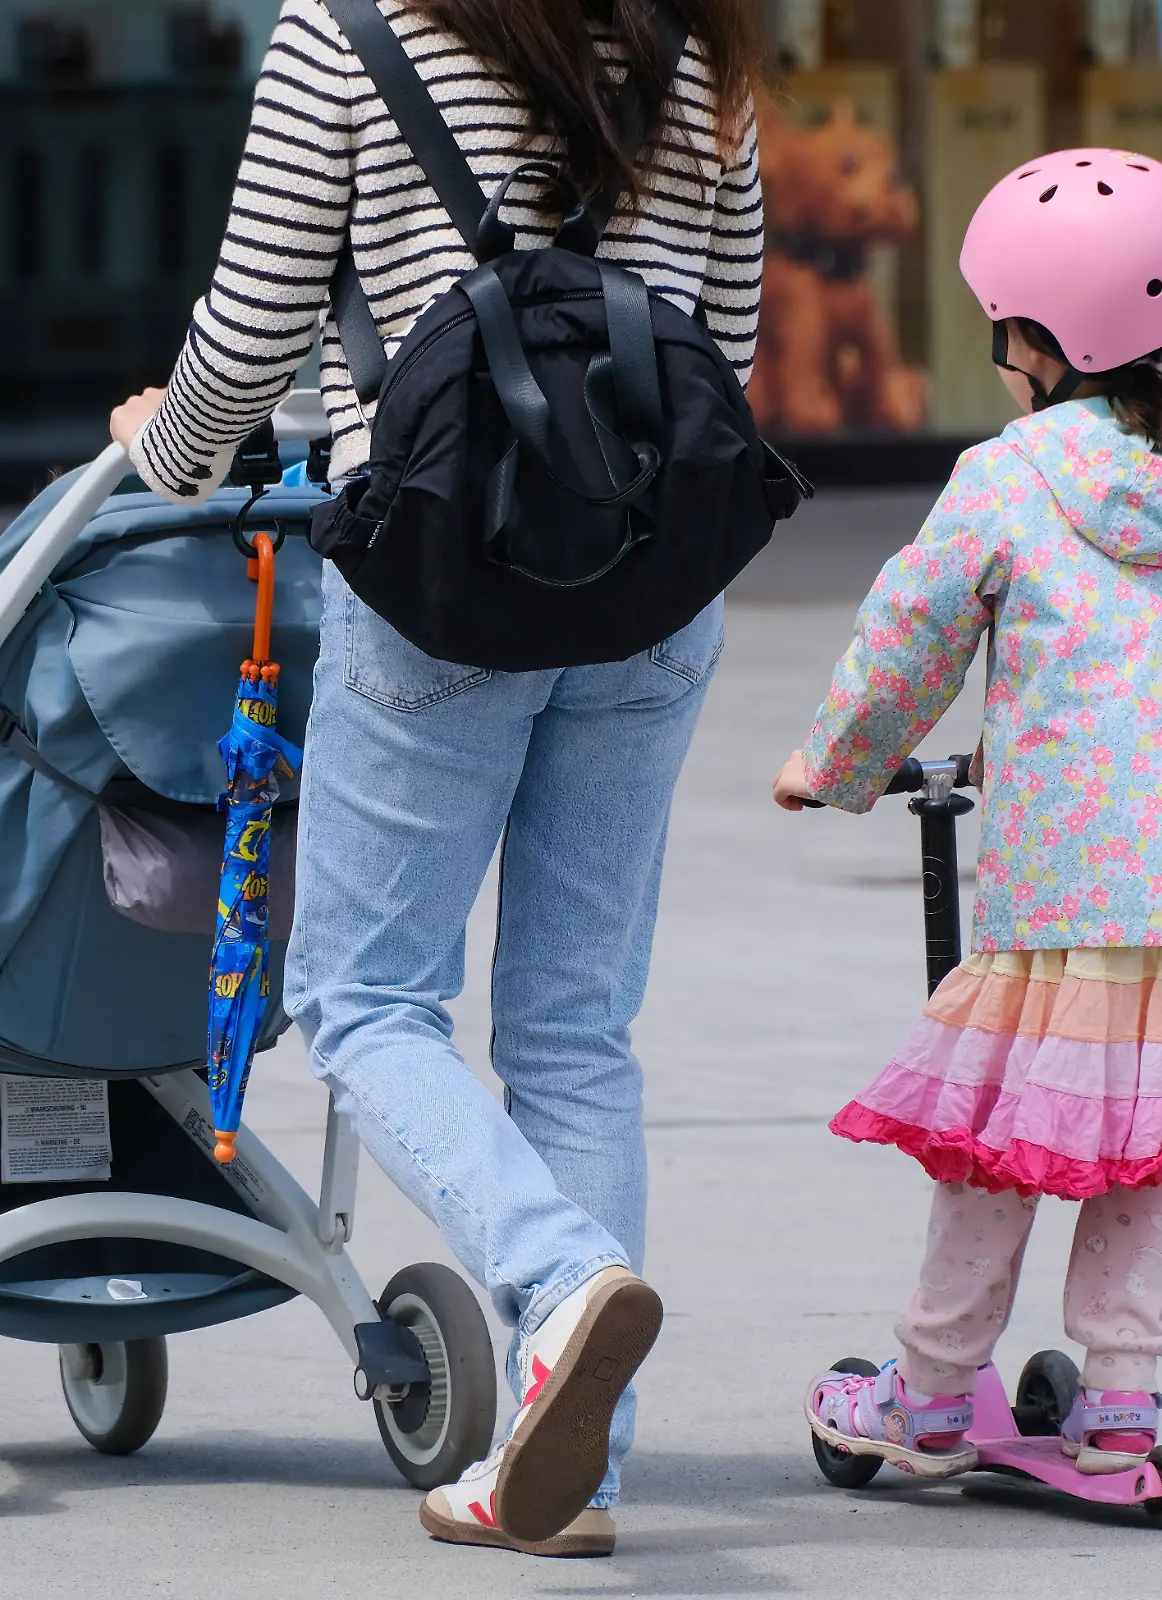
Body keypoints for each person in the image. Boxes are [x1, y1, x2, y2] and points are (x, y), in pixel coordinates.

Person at [110, 0, 763, 1560]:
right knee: (575, 1026)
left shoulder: (348, 33)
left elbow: (252, 328)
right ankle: (582, 1479)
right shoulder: (693, 37)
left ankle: (556, 1273)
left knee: (363, 997)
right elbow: (725, 354)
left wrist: (161, 454)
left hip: (444, 573)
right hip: (650, 585)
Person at [773, 147, 1162, 1479]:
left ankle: (928, 1394)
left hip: (1059, 895)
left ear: (1032, 337)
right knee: (1146, 1156)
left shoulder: (1008, 475)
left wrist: (834, 764)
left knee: (998, 1152)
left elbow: (912, 635)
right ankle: (1121, 1407)